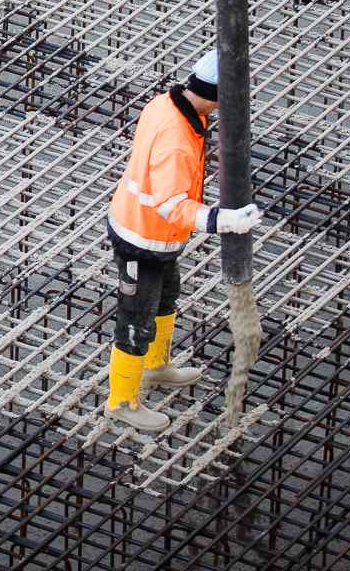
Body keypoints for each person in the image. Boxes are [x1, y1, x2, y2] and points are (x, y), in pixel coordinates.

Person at [105, 49, 262, 433]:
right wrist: (218, 219)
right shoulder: (177, 138)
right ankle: (122, 401)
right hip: (142, 239)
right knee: (135, 319)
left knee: (165, 300)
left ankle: (156, 367)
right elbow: (170, 204)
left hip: (158, 237)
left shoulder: (165, 103)